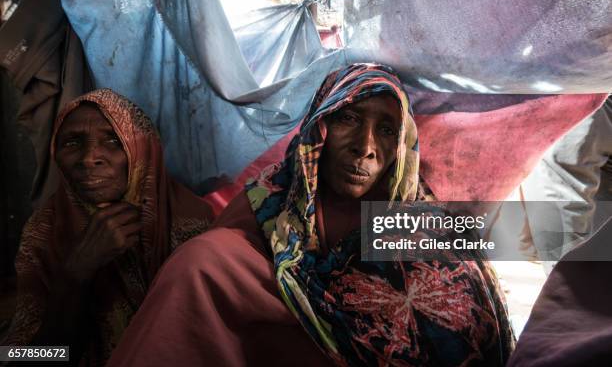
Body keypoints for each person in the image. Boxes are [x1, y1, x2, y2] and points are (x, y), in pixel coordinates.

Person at [108, 64, 514, 366]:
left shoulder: (426, 228)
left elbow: (469, 331)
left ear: (402, 146)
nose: (365, 146)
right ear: (319, 126)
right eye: (348, 119)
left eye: (386, 130)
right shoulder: (268, 205)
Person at [3, 89, 214, 366]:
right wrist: (75, 275)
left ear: (143, 150)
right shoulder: (44, 232)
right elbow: (23, 357)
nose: (89, 158)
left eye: (114, 140)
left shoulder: (194, 224)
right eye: (72, 142)